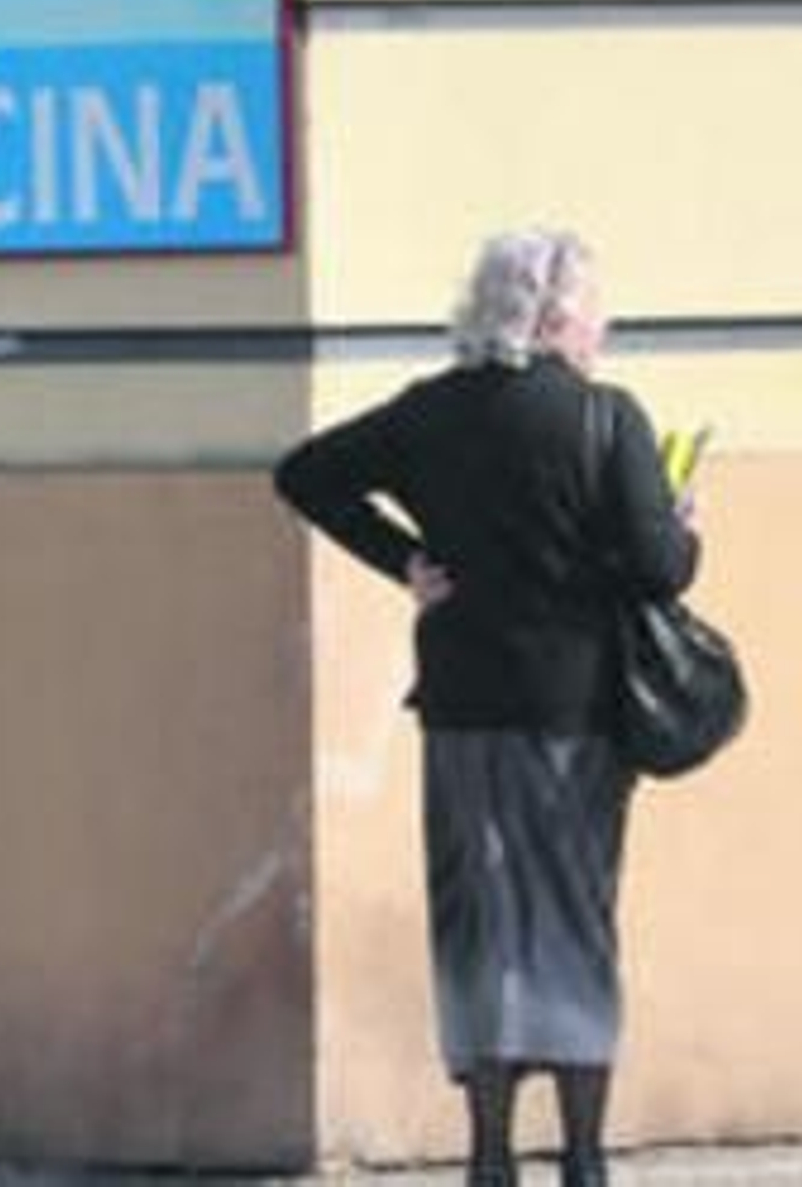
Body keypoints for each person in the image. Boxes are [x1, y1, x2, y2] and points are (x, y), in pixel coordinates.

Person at [273, 226, 699, 1187]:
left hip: (463, 706)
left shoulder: (429, 413)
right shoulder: (605, 417)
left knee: (480, 922)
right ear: (554, 317)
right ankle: (583, 1157)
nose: (605, 325)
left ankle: (490, 1156)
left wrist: (404, 564)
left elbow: (302, 473)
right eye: (593, 308)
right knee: (575, 922)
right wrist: (682, 530)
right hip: (577, 714)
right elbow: (658, 569)